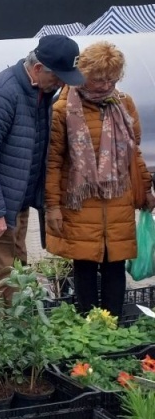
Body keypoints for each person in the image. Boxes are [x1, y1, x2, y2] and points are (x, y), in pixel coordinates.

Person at [0, 34, 85, 288]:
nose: (60, 84)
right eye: (57, 77)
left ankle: (17, 321)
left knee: (17, 266)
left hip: (16, 198)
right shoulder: (1, 94)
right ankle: (1, 326)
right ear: (37, 69)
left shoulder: (40, 91)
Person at [45, 41, 154, 316]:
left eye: (112, 79)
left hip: (119, 198)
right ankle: (89, 324)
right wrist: (53, 207)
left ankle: (113, 324)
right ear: (83, 74)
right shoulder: (62, 110)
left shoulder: (124, 104)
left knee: (115, 265)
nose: (106, 85)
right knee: (84, 266)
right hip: (80, 202)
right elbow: (53, 164)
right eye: (98, 79)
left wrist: (146, 190)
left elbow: (133, 152)